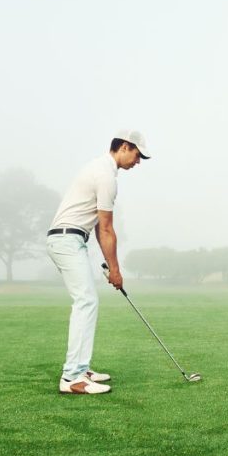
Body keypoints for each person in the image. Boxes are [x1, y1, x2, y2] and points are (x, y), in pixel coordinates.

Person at [46, 130, 150, 395]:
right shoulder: (105, 176)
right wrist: (115, 270)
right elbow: (105, 229)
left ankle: (82, 368)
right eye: (137, 156)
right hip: (67, 240)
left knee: (87, 300)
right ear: (125, 147)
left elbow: (97, 228)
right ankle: (72, 378)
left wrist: (109, 264)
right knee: (86, 301)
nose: (137, 162)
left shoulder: (101, 168)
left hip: (70, 239)